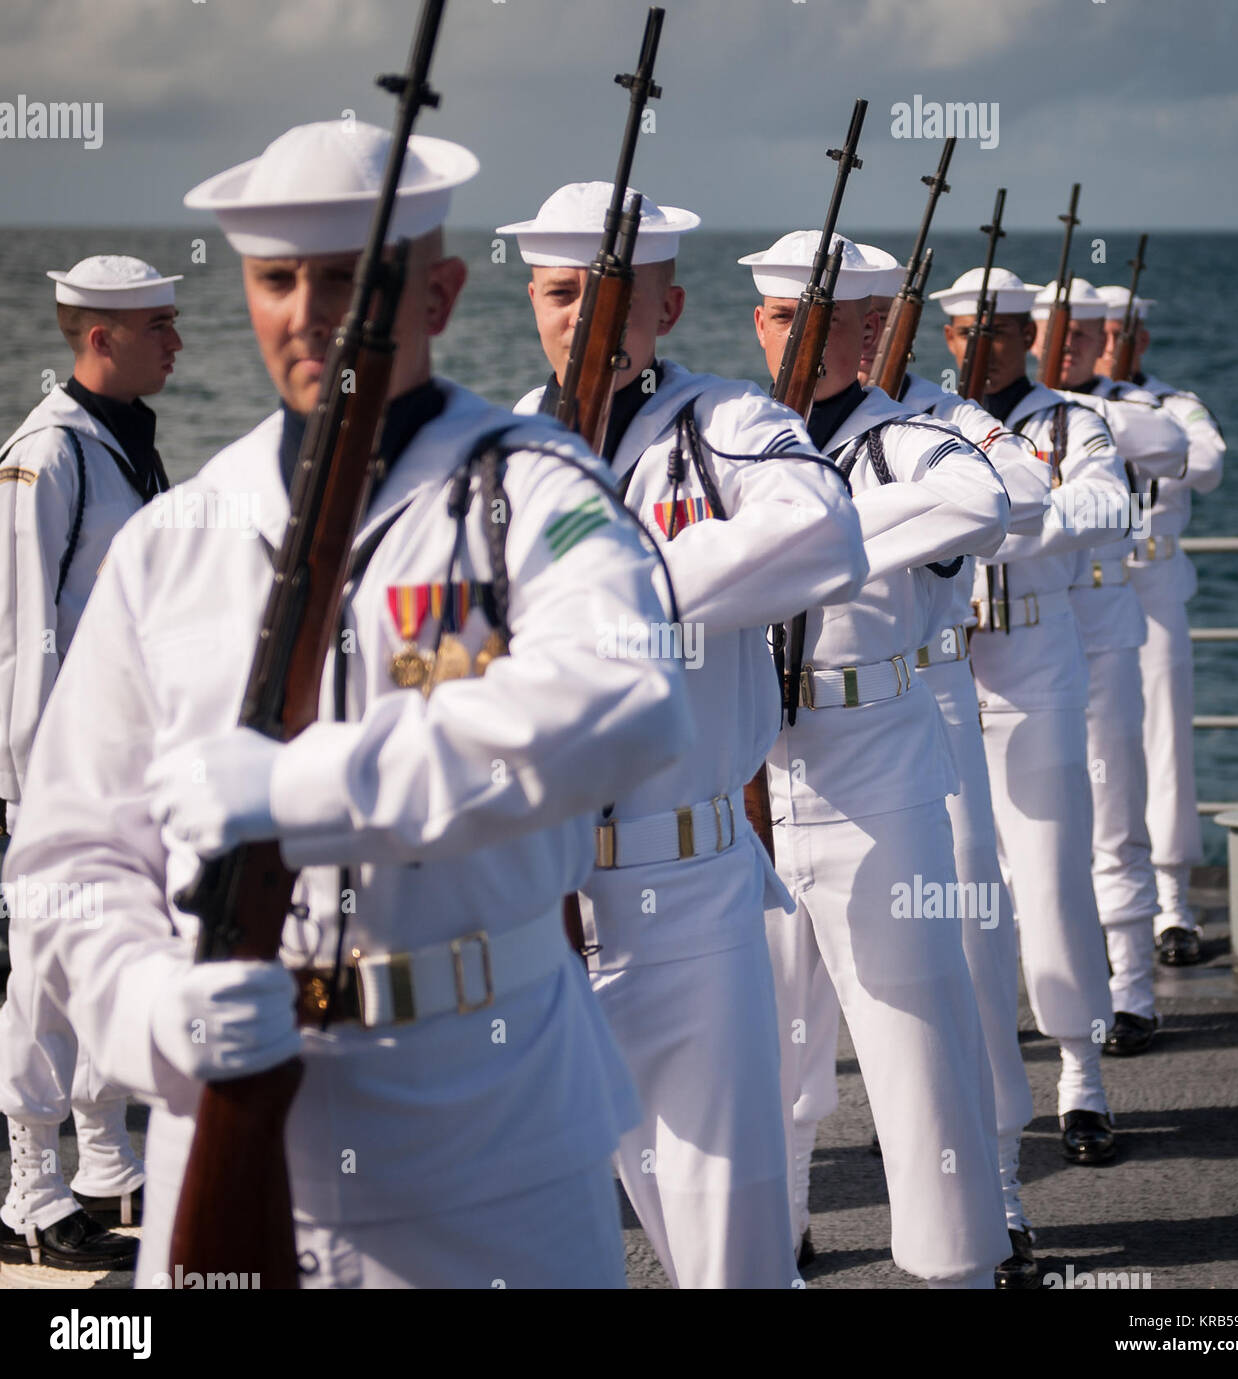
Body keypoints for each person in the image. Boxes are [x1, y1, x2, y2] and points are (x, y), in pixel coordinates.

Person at [5, 119, 695, 1289]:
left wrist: (307, 788)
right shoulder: (175, 541)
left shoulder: (536, 489)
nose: (312, 312)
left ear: (436, 292)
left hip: (488, 1122)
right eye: (278, 280)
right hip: (224, 1114)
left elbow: (625, 695)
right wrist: (147, 1009)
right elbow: (71, 851)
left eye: (350, 279)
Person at [503, 187, 869, 1288]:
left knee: (730, 1234)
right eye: (559, 293)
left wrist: (625, 583)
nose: (581, 317)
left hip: (689, 878)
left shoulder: (729, 428)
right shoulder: (502, 450)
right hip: (536, 889)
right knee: (539, 1224)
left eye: (606, 295)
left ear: (663, 303)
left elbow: (824, 533)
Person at [742, 229, 1010, 1289]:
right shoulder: (737, 440)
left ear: (867, 330)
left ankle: (958, 1268)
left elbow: (986, 504)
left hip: (873, 770)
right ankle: (778, 1241)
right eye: (776, 317)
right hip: (757, 769)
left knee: (912, 1045)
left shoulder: (909, 438)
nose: (795, 339)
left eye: (823, 321)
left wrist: (819, 531)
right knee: (765, 1043)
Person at [852, 244, 1053, 1286]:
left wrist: (850, 533)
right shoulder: (764, 424)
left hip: (930, 697)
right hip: (793, 723)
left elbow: (1022, 494)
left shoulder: (943, 421)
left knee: (969, 944)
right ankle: (788, 1212)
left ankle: (1000, 1190)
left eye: (868, 311)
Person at [0, 255, 180, 1270]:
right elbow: (20, 631)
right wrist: (26, 789)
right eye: (161, 325)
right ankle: (29, 1186)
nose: (180, 342)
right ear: (100, 337)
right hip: (51, 769)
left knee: (111, 952)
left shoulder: (127, 441)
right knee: (40, 975)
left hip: (123, 757)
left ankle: (105, 1163)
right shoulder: (48, 452)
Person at [933, 266, 1130, 1168]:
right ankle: (985, 1085)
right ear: (946, 338)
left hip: (1035, 667)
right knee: (966, 893)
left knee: (1050, 876)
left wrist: (1008, 521)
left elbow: (1107, 502)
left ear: (1030, 336)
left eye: (1002, 331)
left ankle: (1081, 1071)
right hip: (944, 675)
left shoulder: (1069, 421)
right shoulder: (928, 424)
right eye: (968, 331)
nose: (984, 346)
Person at [1030, 278, 1188, 1054]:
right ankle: (1049, 989)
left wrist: (1076, 405)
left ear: (1106, 339)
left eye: (1085, 334)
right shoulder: (1008, 416)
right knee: (1031, 825)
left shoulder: (1117, 408)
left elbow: (1178, 449)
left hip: (1108, 624)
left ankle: (1130, 986)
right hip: (1034, 633)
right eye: (1056, 333)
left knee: (1117, 809)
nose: (1070, 346)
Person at [1097, 284, 1226, 967]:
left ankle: (1173, 903)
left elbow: (1206, 462)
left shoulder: (1171, 405)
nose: (1106, 341)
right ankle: (1104, 898)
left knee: (1165, 740)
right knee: (1097, 749)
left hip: (1155, 589)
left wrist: (1135, 426)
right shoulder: (1069, 408)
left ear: (1139, 339)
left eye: (1116, 331)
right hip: (1095, 588)